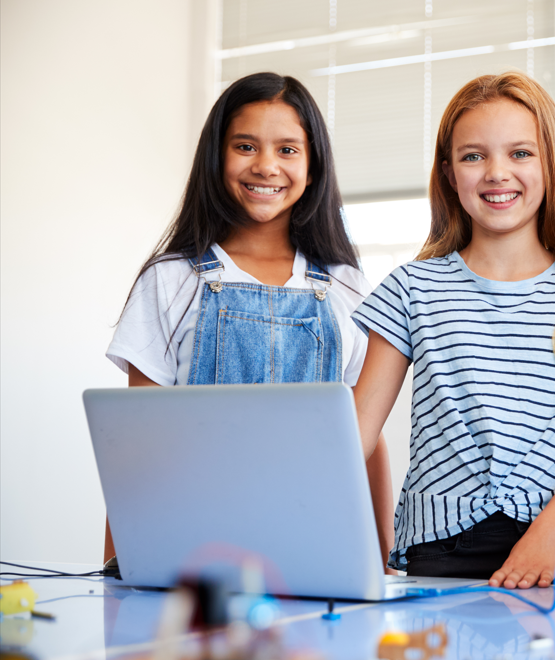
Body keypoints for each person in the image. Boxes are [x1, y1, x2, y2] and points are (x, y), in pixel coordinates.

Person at [350, 72, 555, 590]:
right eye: (474, 156)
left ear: (552, 163)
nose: (497, 173)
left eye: (520, 153)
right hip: (442, 548)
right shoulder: (412, 287)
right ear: (449, 173)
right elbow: (355, 433)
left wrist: (546, 536)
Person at [105, 72, 394, 566]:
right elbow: (138, 445)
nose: (266, 166)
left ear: (312, 166)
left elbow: (365, 438)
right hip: (192, 548)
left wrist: (383, 561)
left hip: (319, 547)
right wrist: (118, 568)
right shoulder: (169, 280)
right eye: (245, 146)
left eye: (287, 149)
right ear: (216, 157)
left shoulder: (346, 286)